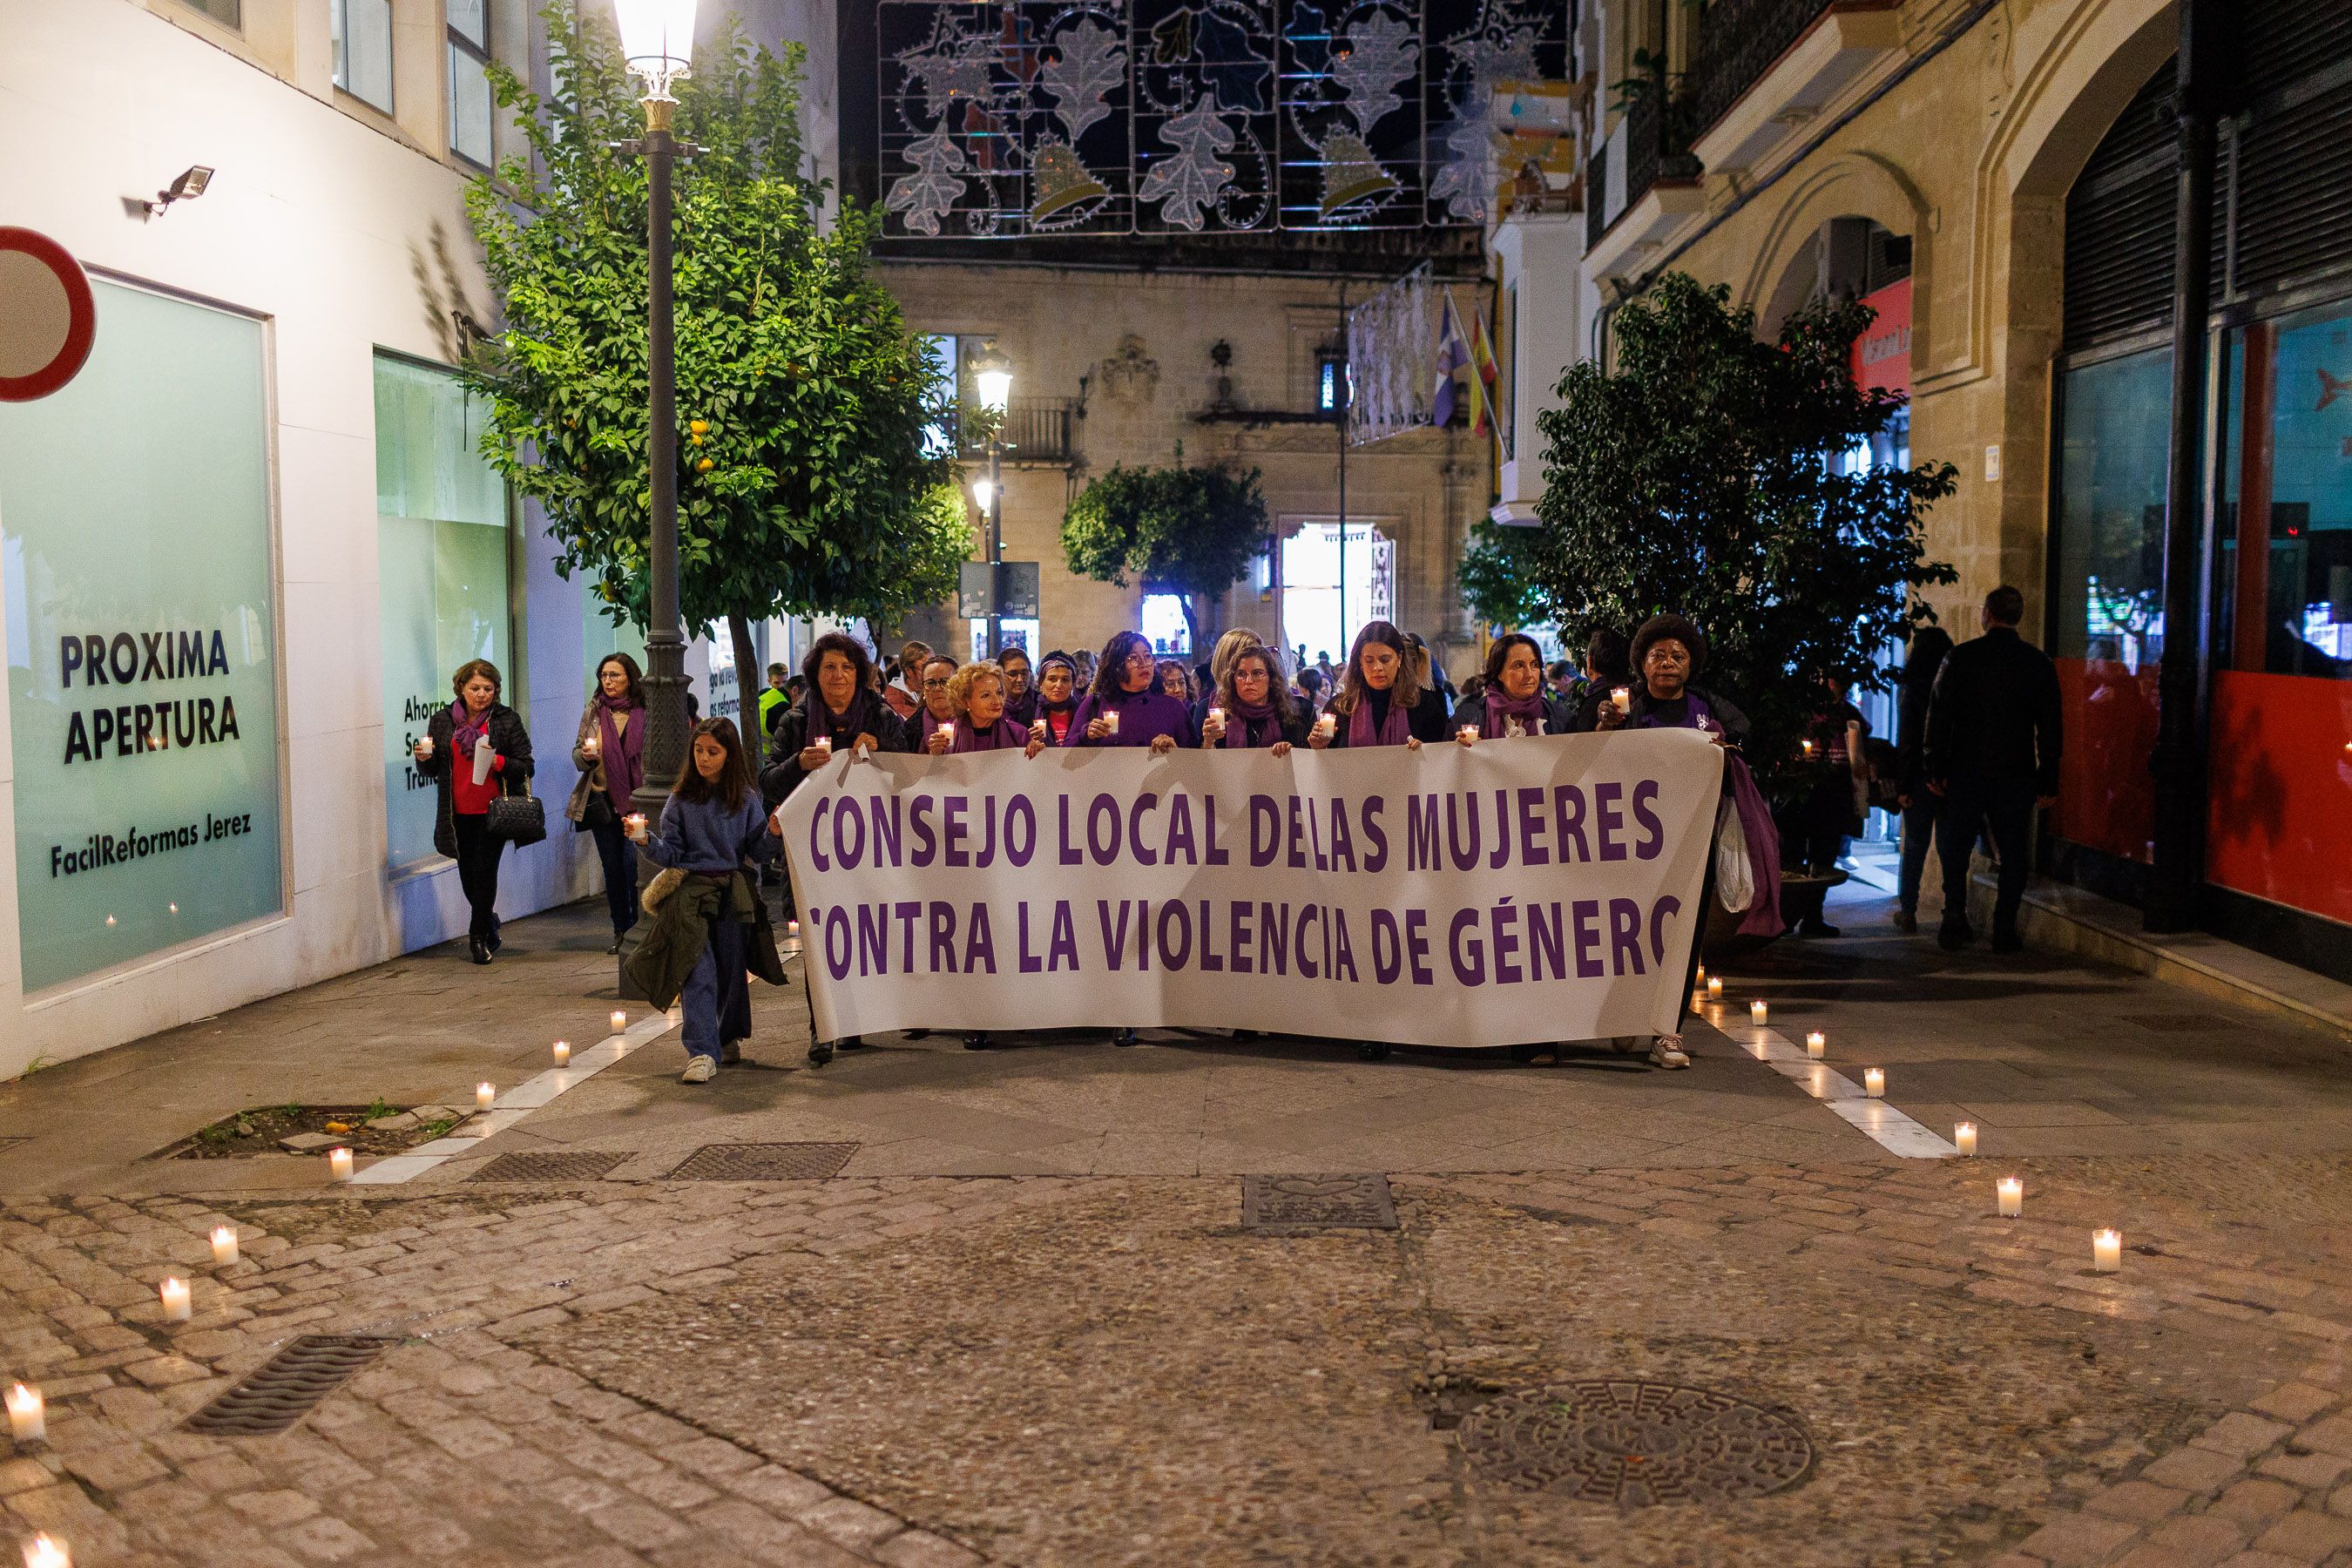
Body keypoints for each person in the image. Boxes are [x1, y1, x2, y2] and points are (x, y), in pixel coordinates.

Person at [1592, 614, 1776, 1069]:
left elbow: (1741, 750)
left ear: (1691, 664)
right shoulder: (1624, 709)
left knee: (1682, 939)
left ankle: (1666, 1032)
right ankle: (1622, 1015)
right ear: (1642, 664)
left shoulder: (1709, 710)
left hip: (1690, 849)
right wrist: (1604, 730)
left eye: (1678, 656)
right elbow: (1591, 765)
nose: (1668, 663)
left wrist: (1722, 751)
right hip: (1630, 850)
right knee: (1626, 934)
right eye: (1658, 656)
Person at [624, 718, 782, 1084]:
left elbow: (757, 849)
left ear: (729, 755)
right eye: (699, 750)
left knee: (730, 970)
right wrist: (645, 840)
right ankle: (700, 1051)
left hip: (733, 894)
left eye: (713, 751)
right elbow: (672, 853)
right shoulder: (680, 799)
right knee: (696, 971)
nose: (704, 758)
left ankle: (726, 1037)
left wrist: (773, 833)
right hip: (690, 895)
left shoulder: (744, 798)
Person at [1924, 585, 2062, 956]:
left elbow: (1939, 717)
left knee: (1956, 848)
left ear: (1986, 613)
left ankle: (1954, 915)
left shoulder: (1961, 658)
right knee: (2014, 853)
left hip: (1966, 769)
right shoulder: (2037, 664)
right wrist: (2048, 777)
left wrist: (1935, 767)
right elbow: (2050, 728)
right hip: (2014, 772)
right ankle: (2004, 928)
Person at [414, 659, 535, 965]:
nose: (482, 694)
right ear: (461, 689)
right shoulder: (443, 721)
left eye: (488, 688)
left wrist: (500, 763)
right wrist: (423, 758)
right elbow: (432, 769)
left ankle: (477, 937)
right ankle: (488, 922)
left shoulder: (506, 720)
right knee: (468, 875)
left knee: (484, 873)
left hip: (493, 812)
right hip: (457, 812)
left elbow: (527, 766)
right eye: (475, 688)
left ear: (496, 690)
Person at [760, 632, 906, 816]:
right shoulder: (795, 721)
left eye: (847, 667)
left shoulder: (881, 715)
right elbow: (768, 786)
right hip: (812, 827)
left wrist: (881, 746)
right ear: (816, 674)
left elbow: (906, 775)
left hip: (872, 826)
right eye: (829, 667)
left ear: (857, 674)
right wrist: (798, 764)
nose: (838, 674)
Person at [565, 652, 646, 955]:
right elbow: (577, 752)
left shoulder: (644, 711)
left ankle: (641, 925)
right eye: (604, 676)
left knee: (632, 865)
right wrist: (584, 758)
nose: (609, 682)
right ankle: (621, 929)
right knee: (612, 868)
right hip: (601, 800)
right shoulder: (595, 711)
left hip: (637, 802)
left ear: (631, 678)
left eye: (616, 675)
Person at [1777, 679, 1869, 937]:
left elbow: (1859, 752)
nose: (1827, 685)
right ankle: (1786, 917)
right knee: (1792, 857)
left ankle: (1813, 917)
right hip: (1799, 796)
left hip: (1832, 797)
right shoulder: (1799, 713)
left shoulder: (1849, 715)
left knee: (1823, 859)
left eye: (1832, 679)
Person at [1892, 626, 1956, 935]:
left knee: (1915, 845)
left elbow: (1907, 739)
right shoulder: (1955, 685)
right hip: (1949, 776)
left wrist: (1903, 786)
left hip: (1918, 776)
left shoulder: (1911, 688)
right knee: (1949, 847)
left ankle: (1908, 911)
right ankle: (1953, 911)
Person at [1309, 619, 1452, 750]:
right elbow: (1326, 768)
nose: (1377, 667)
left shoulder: (1423, 705)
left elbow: (1439, 758)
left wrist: (1426, 752)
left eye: (1385, 659)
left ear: (1399, 658)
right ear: (1360, 661)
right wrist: (1319, 747)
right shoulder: (1340, 707)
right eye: (1369, 660)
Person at [1070, 632, 1194, 754]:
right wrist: (1086, 735)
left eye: (1147, 656)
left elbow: (1194, 760)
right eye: (1134, 658)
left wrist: (1176, 751)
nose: (1143, 664)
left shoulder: (1173, 707)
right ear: (1117, 666)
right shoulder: (1095, 704)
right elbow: (1066, 752)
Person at [1456, 632, 1570, 742]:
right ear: (1499, 672)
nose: (1529, 674)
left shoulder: (1560, 715)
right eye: (1519, 666)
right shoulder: (1469, 716)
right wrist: (1459, 750)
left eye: (1534, 665)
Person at [1201, 641, 1308, 753]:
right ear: (1233, 680)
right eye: (1241, 674)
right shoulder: (1224, 715)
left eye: (1257, 673)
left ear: (1271, 679)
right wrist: (1208, 742)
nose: (1248, 681)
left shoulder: (1291, 716)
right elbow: (1207, 766)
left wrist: (1290, 751)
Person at [908, 654, 962, 752]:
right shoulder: (910, 729)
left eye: (945, 682)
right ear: (923, 690)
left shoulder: (974, 720)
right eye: (930, 683)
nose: (937, 688)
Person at [1031, 651, 1083, 747]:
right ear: (1041, 683)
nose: (1059, 685)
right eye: (1052, 679)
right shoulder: (1029, 714)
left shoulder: (1082, 713)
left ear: (1072, 685)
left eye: (1065, 680)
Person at [882, 639, 931, 720]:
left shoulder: (934, 689)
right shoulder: (892, 695)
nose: (931, 672)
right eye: (925, 668)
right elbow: (913, 722)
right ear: (909, 671)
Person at [997, 644, 1038, 729]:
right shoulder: (994, 705)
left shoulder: (1039, 703)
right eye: (1013, 674)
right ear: (1000, 674)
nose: (1020, 679)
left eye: (1024, 673)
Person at [757, 661, 790, 741]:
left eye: (784, 682)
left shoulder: (761, 696)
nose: (781, 686)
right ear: (769, 681)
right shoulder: (783, 702)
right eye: (777, 683)